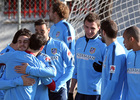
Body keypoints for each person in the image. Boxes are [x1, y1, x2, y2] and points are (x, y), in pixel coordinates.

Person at [0, 33, 56, 100]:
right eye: (19, 41)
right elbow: (53, 85)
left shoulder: (10, 56)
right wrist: (20, 80)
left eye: (25, 42)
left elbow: (51, 79)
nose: (22, 44)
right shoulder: (37, 63)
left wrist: (29, 70)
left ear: (29, 44)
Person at [34, 19, 75, 100]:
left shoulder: (60, 45)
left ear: (48, 30)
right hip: (41, 90)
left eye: (42, 31)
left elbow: (71, 67)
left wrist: (58, 84)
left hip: (59, 90)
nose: (39, 34)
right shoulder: (33, 48)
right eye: (37, 31)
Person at [69, 12, 106, 100]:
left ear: (98, 28)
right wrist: (71, 91)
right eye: (86, 27)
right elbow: (76, 68)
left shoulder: (103, 45)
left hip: (95, 93)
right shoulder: (79, 42)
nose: (89, 31)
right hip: (80, 92)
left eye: (92, 28)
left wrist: (103, 69)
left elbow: (110, 72)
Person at [0, 28, 35, 100]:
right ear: (17, 42)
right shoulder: (9, 56)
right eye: (21, 41)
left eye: (26, 42)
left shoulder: (15, 54)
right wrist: (20, 81)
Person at [49, 0, 75, 93]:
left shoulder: (66, 27)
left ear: (55, 13)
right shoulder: (52, 28)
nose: (49, 13)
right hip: (51, 71)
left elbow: (71, 50)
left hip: (62, 73)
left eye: (50, 11)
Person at [100, 19, 126, 100]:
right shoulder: (110, 49)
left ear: (103, 33)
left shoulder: (115, 51)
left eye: (100, 32)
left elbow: (112, 81)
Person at [122, 26, 140, 100]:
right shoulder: (129, 55)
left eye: (125, 39)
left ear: (131, 39)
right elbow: (126, 83)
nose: (123, 42)